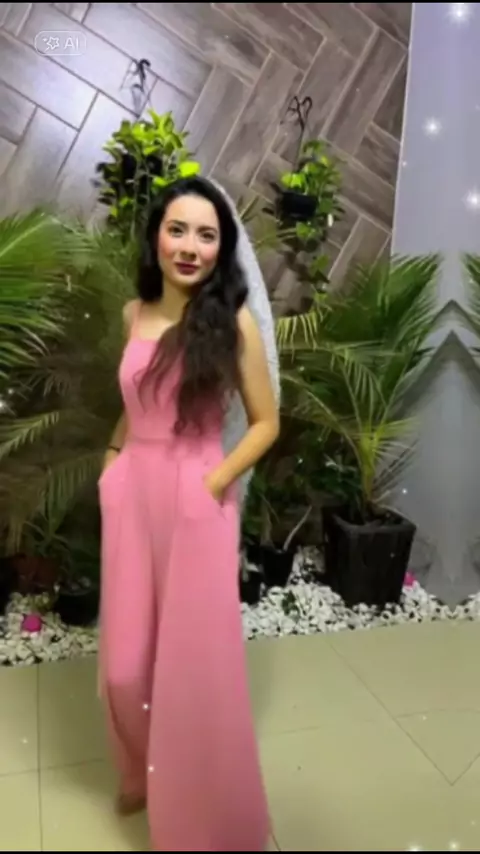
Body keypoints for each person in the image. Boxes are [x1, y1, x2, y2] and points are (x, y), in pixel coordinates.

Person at [97, 176, 280, 851]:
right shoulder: (133, 313)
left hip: (198, 495)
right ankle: (141, 765)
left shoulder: (232, 323)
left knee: (192, 667)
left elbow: (266, 423)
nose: (190, 246)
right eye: (178, 229)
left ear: (220, 249)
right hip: (132, 494)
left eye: (207, 235)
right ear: (156, 237)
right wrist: (112, 459)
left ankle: (199, 814)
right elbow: (136, 399)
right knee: (124, 664)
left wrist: (214, 483)